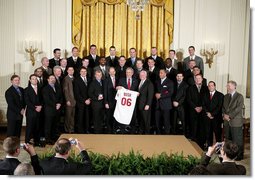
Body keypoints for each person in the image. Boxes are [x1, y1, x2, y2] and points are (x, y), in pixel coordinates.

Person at [222, 81, 244, 160]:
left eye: (229, 86)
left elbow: (238, 108)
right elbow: (223, 108)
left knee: (237, 140)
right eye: (227, 86)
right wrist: (224, 115)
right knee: (228, 140)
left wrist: (229, 116)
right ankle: (229, 155)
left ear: (234, 86)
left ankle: (239, 156)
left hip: (235, 122)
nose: (228, 88)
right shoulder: (225, 96)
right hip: (227, 122)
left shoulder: (239, 96)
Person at [186, 74, 208, 148]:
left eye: (199, 78)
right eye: (196, 78)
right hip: (193, 111)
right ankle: (193, 145)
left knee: (202, 128)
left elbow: (207, 100)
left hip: (202, 111)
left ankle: (201, 145)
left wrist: (201, 107)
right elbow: (188, 99)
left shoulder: (206, 88)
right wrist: (195, 107)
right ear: (194, 79)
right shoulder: (190, 88)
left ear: (202, 79)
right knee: (193, 128)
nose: (198, 79)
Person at [202, 81, 224, 147]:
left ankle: (219, 149)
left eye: (212, 85)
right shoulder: (205, 94)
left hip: (216, 118)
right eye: (209, 86)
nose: (210, 87)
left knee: (218, 134)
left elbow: (219, 107)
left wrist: (212, 114)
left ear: (214, 86)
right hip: (207, 117)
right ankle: (209, 148)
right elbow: (203, 105)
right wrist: (208, 113)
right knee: (208, 134)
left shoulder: (220, 95)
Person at [117, 67, 139, 133]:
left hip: (132, 103)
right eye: (127, 72)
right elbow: (117, 88)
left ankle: (133, 130)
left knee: (133, 116)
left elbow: (137, 90)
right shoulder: (121, 80)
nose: (128, 74)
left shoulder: (136, 81)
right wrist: (117, 88)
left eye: (129, 72)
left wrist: (137, 93)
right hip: (123, 103)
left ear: (132, 73)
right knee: (123, 115)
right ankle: (122, 130)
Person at [42, 75, 63, 144]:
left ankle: (54, 138)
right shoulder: (45, 89)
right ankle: (48, 139)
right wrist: (55, 105)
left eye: (53, 78)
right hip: (49, 110)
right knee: (48, 125)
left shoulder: (58, 87)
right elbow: (47, 100)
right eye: (51, 78)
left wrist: (59, 103)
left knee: (55, 124)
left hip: (57, 109)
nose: (52, 80)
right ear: (48, 80)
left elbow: (61, 97)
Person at [24, 74, 42, 146]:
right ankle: (27, 142)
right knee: (29, 127)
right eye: (33, 79)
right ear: (30, 80)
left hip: (39, 111)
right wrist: (35, 108)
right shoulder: (26, 90)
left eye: (35, 79)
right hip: (31, 112)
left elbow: (43, 99)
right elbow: (27, 101)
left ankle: (37, 142)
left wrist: (40, 106)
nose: (34, 80)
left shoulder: (40, 88)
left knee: (38, 127)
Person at [155, 69, 174, 134]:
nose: (160, 74)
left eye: (161, 73)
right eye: (159, 73)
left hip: (166, 105)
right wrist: (156, 94)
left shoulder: (170, 82)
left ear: (165, 74)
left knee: (166, 121)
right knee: (157, 121)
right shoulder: (157, 81)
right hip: (157, 105)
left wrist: (161, 95)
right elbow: (155, 91)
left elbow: (170, 93)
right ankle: (158, 134)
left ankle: (167, 135)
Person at [74, 67, 91, 134]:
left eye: (85, 71)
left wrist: (89, 99)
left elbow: (91, 90)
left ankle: (87, 129)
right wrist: (84, 100)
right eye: (82, 71)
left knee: (87, 117)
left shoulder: (89, 79)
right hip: (81, 102)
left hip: (89, 101)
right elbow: (76, 93)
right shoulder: (77, 80)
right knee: (80, 117)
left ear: (86, 72)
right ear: (80, 72)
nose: (84, 73)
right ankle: (80, 131)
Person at [137, 70, 154, 134]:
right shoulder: (140, 82)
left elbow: (150, 95)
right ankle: (141, 132)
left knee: (146, 121)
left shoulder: (149, 83)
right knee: (141, 120)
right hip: (140, 105)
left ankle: (147, 134)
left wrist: (148, 104)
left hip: (145, 105)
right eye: (140, 75)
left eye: (143, 75)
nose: (141, 76)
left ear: (146, 75)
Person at [104, 67, 118, 133]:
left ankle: (114, 129)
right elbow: (105, 92)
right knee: (109, 117)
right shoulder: (106, 80)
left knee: (115, 116)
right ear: (109, 73)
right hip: (109, 102)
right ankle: (109, 131)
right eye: (110, 72)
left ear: (115, 72)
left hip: (117, 102)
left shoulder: (118, 79)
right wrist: (106, 102)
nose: (112, 73)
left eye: (113, 71)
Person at [63, 67, 76, 134]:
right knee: (68, 116)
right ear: (67, 71)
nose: (71, 71)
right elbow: (65, 90)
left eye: (72, 70)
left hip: (74, 100)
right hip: (69, 100)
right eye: (70, 70)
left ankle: (72, 129)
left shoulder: (74, 78)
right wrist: (67, 100)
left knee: (73, 116)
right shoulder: (66, 79)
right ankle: (67, 129)